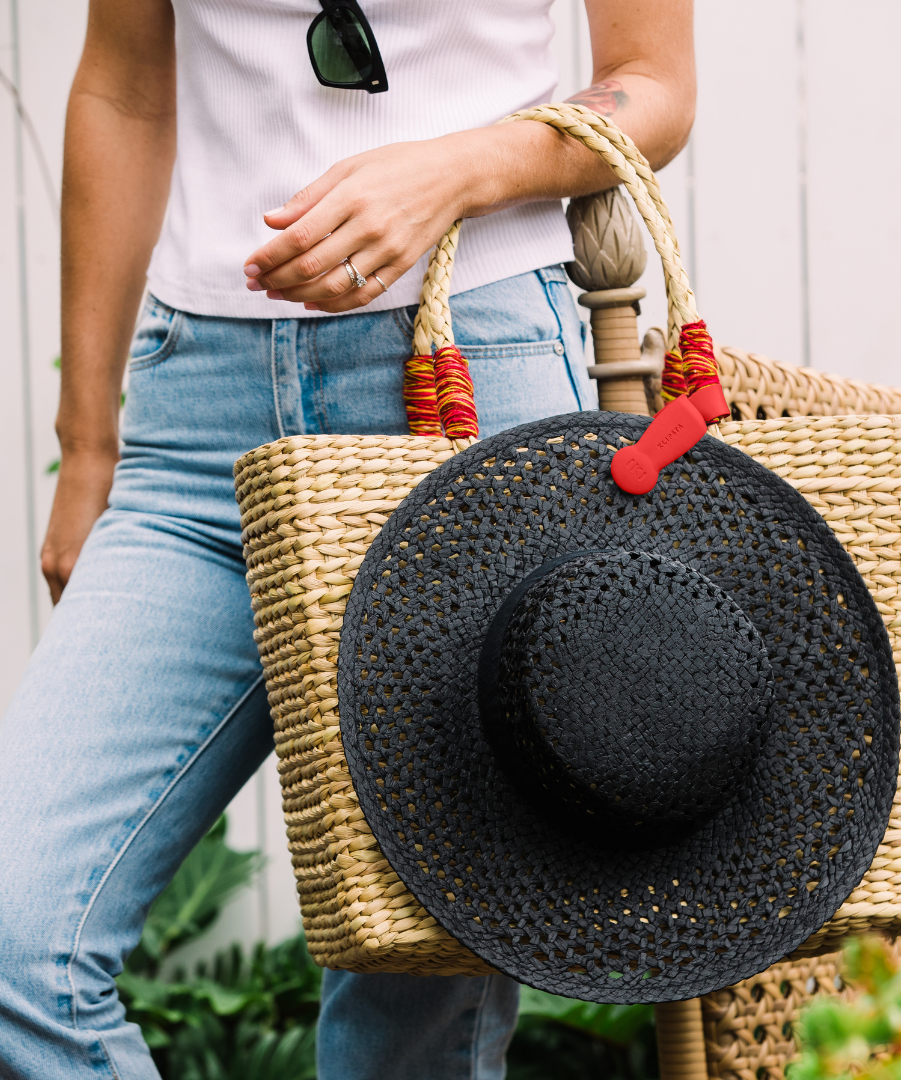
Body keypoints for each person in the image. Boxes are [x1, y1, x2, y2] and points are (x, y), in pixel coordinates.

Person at [0, 0, 694, 1075]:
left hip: (467, 386)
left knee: (405, 1022)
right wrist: (87, 441)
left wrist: (456, 169)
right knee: (16, 934)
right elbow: (124, 86)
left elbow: (654, 84)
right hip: (198, 426)